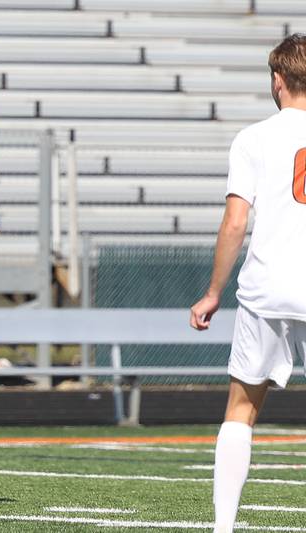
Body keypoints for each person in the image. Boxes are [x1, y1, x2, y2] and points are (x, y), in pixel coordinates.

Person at [189, 34, 306, 533]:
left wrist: (213, 291)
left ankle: (223, 527)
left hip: (268, 287)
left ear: (277, 80)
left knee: (240, 409)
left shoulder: (254, 138)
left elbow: (235, 222)